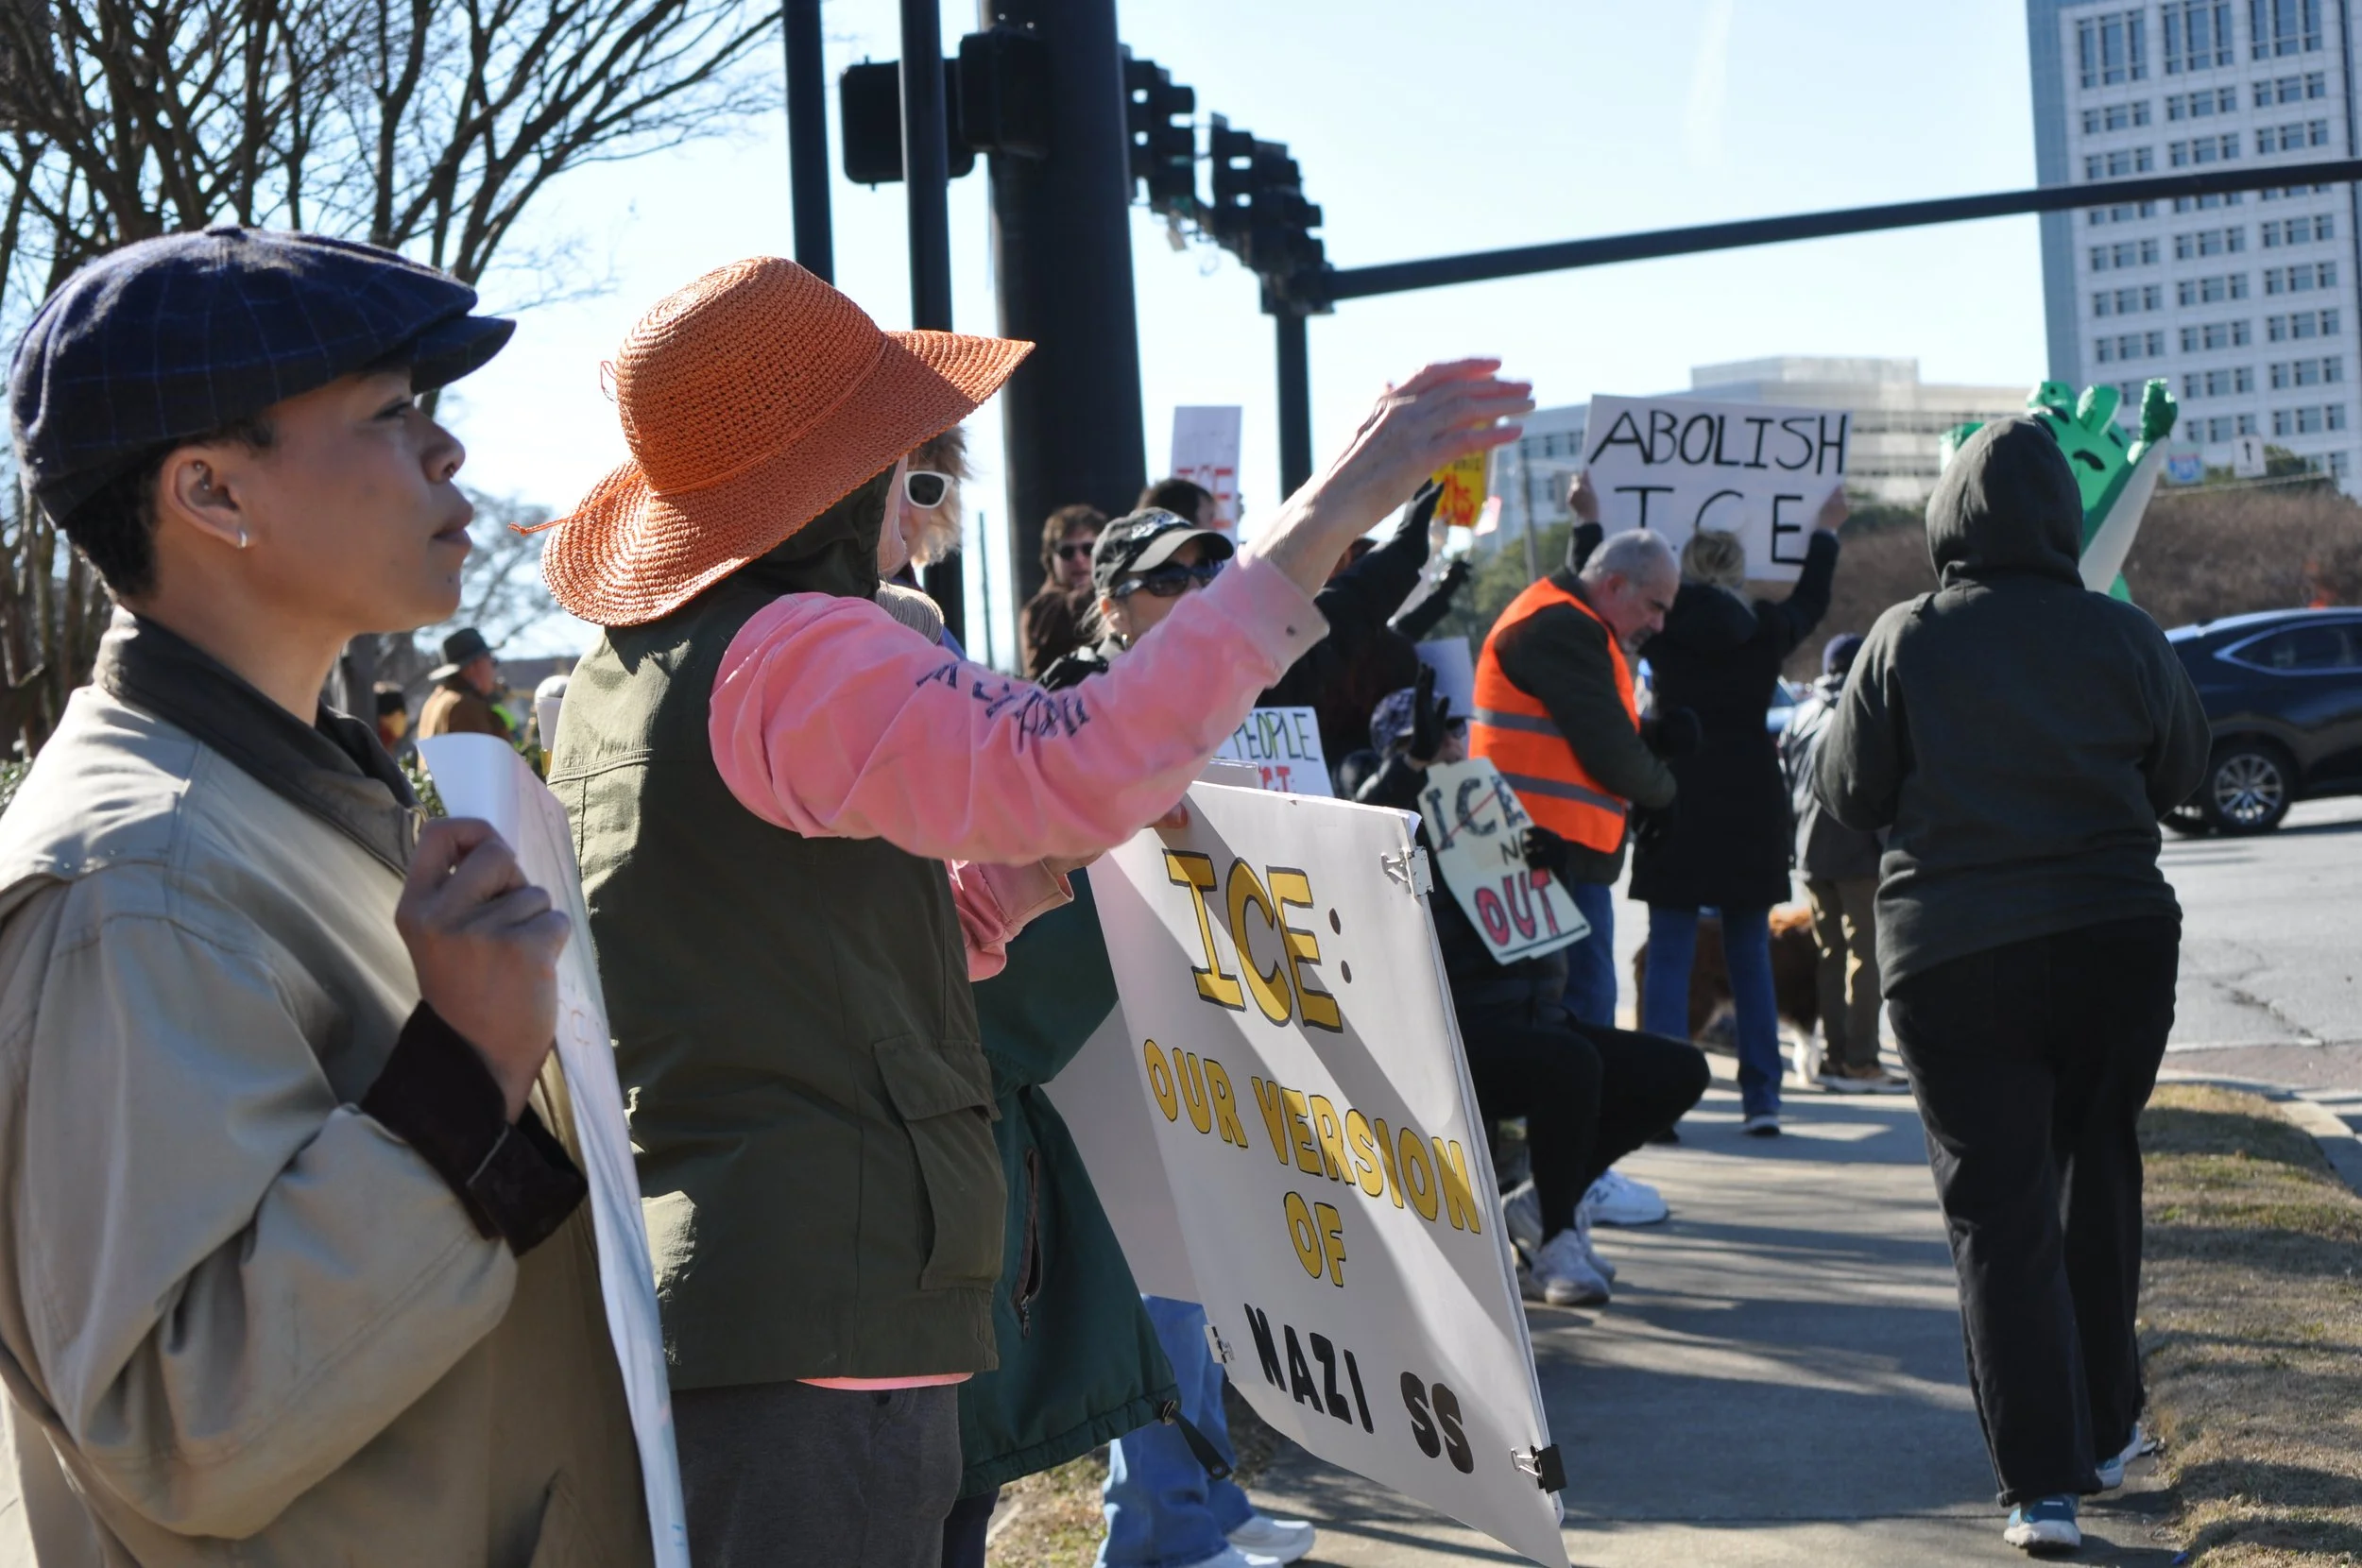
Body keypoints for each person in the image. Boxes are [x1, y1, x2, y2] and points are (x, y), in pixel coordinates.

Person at [538, 255, 1531, 1568]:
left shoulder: (645, 669)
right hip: (826, 1305)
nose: (917, 483)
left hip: (753, 1286)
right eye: (901, 450)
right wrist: (1337, 503)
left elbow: (795, 949)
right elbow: (1072, 761)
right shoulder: (794, 648)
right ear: (838, 474)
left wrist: (1033, 870)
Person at [0, 228, 645, 1563]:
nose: (446, 450)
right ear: (213, 494)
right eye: (393, 412)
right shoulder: (135, 883)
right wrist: (462, 1075)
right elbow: (181, 1430)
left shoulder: (271, 800)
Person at [1813, 416, 2208, 1555]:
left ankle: (2042, 1487)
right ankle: (2108, 1417)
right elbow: (2185, 774)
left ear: (1948, 518)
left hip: (1952, 951)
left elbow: (1850, 795)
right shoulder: (2122, 633)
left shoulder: (1904, 638)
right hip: (2113, 940)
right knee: (2098, 1169)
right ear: (2059, 519)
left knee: (1998, 1213)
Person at [1036, 513, 1317, 1568]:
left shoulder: (1221, 701)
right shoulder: (1074, 709)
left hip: (1205, 1020)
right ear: (1109, 602)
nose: (1200, 587)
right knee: (1158, 1293)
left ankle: (1207, 1504)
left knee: (1199, 1284)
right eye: (1170, 577)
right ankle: (1154, 1532)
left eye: (1212, 568)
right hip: (1115, 1038)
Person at [1359, 672, 1709, 1305]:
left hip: (1533, 1017)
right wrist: (1409, 766)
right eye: (1428, 739)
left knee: (1678, 1070)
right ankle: (1554, 1240)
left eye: (1454, 731)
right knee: (1568, 1064)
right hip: (1456, 1032)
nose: (1448, 746)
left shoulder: (1487, 810)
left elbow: (1538, 941)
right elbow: (1365, 826)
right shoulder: (1390, 830)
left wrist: (1556, 868)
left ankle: (1546, 1203)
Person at [1471, 525, 1691, 1218]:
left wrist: (1650, 753)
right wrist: (1663, 787)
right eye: (1654, 606)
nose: (1658, 624)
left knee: (1574, 1024)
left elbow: (1602, 736)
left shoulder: (1572, 623)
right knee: (1572, 1033)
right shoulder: (1561, 626)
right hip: (1544, 862)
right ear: (1614, 584)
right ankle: (1567, 1183)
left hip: (1550, 860)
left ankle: (1561, 1179)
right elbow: (1607, 750)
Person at [1632, 501, 1842, 1137]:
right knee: (1749, 950)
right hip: (1751, 800)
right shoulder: (1767, 630)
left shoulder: (1659, 632)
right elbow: (1813, 597)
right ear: (1739, 569)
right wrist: (1826, 531)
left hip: (1678, 793)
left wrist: (1589, 523)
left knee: (1670, 949)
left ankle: (1660, 1099)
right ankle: (1762, 1098)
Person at [1779, 631, 1907, 1092]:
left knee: (1829, 956)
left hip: (1810, 854)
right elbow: (1871, 789)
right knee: (1866, 958)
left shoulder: (1801, 713)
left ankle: (1834, 1057)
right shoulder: (1864, 713)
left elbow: (1789, 782)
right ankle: (1861, 1060)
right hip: (1857, 855)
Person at [1018, 503, 1105, 676]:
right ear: (1051, 559)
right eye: (1067, 552)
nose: (1079, 559)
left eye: (1088, 549)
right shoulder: (1042, 608)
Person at [417, 623, 510, 739]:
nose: (493, 669)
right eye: (492, 661)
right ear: (472, 668)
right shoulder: (467, 706)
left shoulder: (435, 701)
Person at [373, 678, 411, 754]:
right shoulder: (373, 745)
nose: (402, 720)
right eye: (395, 715)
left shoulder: (405, 750)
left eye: (402, 715)